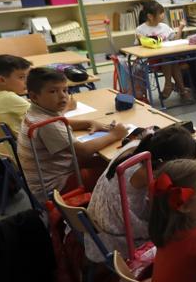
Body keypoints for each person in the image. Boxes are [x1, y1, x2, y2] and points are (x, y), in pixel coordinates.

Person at [85, 125, 196, 262]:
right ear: (171, 162)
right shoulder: (149, 173)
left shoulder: (136, 147)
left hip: (99, 224)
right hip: (117, 240)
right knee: (185, 226)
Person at [16, 67, 128, 201]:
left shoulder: (37, 111)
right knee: (118, 172)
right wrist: (115, 135)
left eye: (65, 90)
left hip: (52, 174)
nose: (63, 96)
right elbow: (83, 151)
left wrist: (88, 122)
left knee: (110, 161)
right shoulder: (47, 124)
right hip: (56, 187)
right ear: (34, 96)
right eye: (53, 91)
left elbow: (63, 121)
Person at [137, 1, 191, 103]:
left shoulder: (164, 26)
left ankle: (169, 85)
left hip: (170, 57)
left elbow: (175, 40)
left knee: (170, 58)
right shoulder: (141, 29)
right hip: (154, 60)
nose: (163, 15)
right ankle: (181, 91)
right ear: (150, 16)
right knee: (170, 59)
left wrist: (180, 28)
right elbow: (138, 47)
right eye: (160, 13)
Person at [0, 54, 32, 130]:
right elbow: (42, 114)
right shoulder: (9, 98)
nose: (27, 81)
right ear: (2, 80)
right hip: (21, 141)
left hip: (4, 141)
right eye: (21, 77)